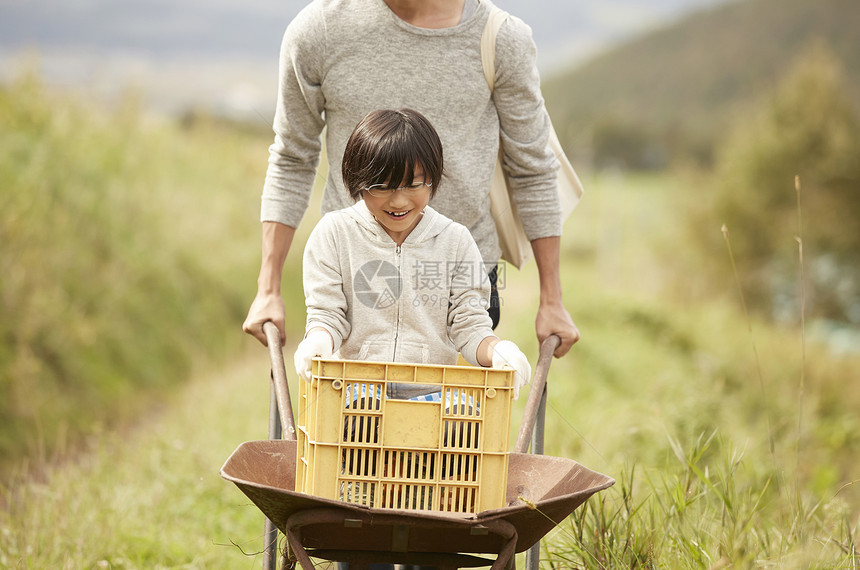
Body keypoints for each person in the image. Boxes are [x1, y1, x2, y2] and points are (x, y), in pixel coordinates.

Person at [243, 0, 580, 358]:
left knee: (447, 410)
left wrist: (552, 300)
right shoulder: (319, 29)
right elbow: (292, 158)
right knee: (352, 408)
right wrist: (268, 289)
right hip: (353, 276)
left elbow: (533, 167)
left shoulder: (500, 38)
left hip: (457, 277)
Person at [293, 108, 531, 404]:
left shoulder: (455, 240)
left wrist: (499, 351)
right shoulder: (334, 233)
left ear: (432, 178)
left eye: (414, 185)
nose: (399, 200)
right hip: (355, 386)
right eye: (381, 187)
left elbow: (469, 326)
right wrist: (317, 343)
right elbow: (327, 315)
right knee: (361, 411)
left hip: (433, 390)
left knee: (464, 416)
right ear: (358, 183)